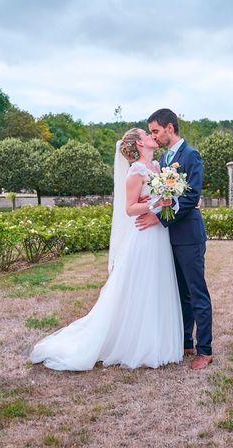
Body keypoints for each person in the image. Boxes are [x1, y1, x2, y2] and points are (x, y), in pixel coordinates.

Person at [29, 128, 183, 370]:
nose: (151, 135)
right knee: (141, 285)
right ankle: (137, 344)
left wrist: (165, 201)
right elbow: (130, 208)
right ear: (138, 143)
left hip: (159, 233)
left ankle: (159, 341)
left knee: (157, 283)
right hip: (143, 235)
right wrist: (156, 202)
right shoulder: (135, 172)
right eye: (145, 133)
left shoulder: (157, 168)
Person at [136, 108, 213, 370]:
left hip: (189, 235)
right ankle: (185, 343)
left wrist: (158, 218)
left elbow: (191, 197)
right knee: (180, 293)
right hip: (169, 238)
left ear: (170, 128)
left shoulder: (191, 155)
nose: (154, 136)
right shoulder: (166, 159)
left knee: (196, 292)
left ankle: (205, 350)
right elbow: (165, 196)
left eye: (156, 131)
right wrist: (152, 203)